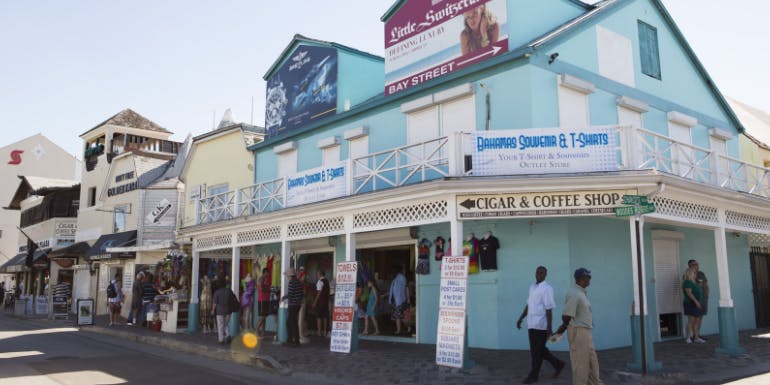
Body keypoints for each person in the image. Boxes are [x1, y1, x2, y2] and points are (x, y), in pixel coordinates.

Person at [517, 266, 565, 384]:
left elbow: (549, 309)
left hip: (541, 325)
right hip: (531, 324)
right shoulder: (532, 287)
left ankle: (534, 376)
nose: (539, 274)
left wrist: (549, 328)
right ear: (535, 273)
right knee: (539, 350)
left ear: (545, 275)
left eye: (542, 272)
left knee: (536, 353)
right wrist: (521, 318)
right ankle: (558, 364)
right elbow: (528, 305)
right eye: (538, 272)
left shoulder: (547, 289)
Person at [556, 268, 603, 385]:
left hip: (586, 332)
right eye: (588, 277)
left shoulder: (581, 293)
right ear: (580, 279)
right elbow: (566, 316)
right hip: (579, 332)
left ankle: (594, 383)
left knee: (592, 362)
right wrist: (561, 329)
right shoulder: (574, 293)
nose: (590, 279)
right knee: (581, 364)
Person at [683, 266, 705, 343]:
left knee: (696, 320)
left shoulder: (694, 282)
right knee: (691, 321)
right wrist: (696, 302)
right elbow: (689, 293)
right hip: (690, 303)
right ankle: (688, 337)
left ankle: (696, 337)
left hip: (696, 303)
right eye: (694, 273)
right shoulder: (687, 282)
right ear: (689, 273)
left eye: (695, 273)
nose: (695, 274)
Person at [282, 267, 304, 346]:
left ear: (290, 276)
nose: (287, 277)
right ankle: (294, 340)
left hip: (293, 304)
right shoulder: (298, 282)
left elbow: (290, 294)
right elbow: (301, 294)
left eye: (287, 276)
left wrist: (283, 297)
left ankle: (292, 340)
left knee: (290, 322)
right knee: (293, 322)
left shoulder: (291, 282)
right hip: (298, 304)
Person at [688, 259, 709, 340]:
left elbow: (706, 285)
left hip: (703, 298)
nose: (696, 265)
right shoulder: (688, 274)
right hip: (694, 300)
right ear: (690, 266)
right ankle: (694, 335)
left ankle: (697, 335)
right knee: (694, 318)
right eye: (693, 264)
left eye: (697, 264)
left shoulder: (701, 274)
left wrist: (707, 294)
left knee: (700, 317)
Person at [389, 265, 410, 335]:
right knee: (397, 316)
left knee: (402, 315)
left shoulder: (401, 277)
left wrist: (408, 298)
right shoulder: (395, 279)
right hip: (395, 301)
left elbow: (406, 287)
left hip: (400, 300)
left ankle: (408, 327)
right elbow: (392, 290)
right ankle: (399, 330)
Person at [212, 279, 232, 344]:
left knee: (220, 325)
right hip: (228, 310)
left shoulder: (217, 292)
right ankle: (228, 335)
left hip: (220, 311)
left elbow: (215, 303)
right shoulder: (229, 291)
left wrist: (212, 310)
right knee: (226, 324)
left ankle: (221, 340)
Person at [313, 270, 331, 338]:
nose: (317, 275)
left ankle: (319, 332)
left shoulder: (320, 281)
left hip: (320, 301)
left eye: (317, 273)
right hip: (326, 301)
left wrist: (315, 301)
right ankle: (325, 331)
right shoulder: (327, 281)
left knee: (319, 317)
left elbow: (319, 293)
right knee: (325, 317)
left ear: (319, 274)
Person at [255, 268, 271, 336]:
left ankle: (263, 331)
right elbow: (261, 289)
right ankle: (256, 330)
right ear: (264, 272)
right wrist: (269, 290)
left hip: (266, 299)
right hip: (262, 299)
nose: (268, 274)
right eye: (268, 273)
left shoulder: (265, 279)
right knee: (263, 316)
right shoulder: (261, 279)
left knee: (264, 316)